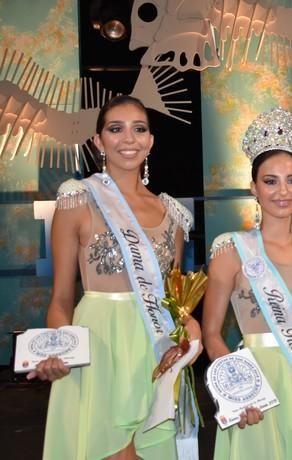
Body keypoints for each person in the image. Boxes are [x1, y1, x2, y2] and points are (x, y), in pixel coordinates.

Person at [30, 95, 201, 459]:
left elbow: (173, 300)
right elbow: (60, 298)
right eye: (115, 128)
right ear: (98, 141)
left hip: (154, 350)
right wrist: (60, 347)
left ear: (150, 141)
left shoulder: (172, 215)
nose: (129, 139)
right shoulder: (77, 200)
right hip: (99, 349)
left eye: (139, 129)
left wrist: (191, 329)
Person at [202, 107, 292, 459]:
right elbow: (211, 334)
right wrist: (237, 392)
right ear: (254, 187)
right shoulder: (230, 249)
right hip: (256, 386)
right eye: (271, 181)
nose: (283, 191)